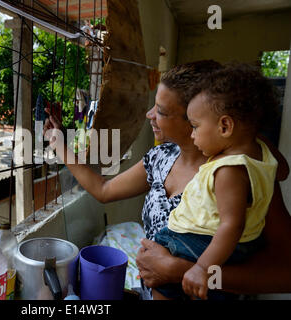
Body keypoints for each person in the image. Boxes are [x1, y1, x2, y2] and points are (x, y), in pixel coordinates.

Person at [43, 60, 291, 300]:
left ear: (195, 118)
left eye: (161, 110)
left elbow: (285, 274)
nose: (150, 114)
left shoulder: (239, 174)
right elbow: (103, 189)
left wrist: (180, 270)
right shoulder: (161, 157)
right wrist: (58, 142)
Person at [151, 63, 278, 300]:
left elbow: (232, 225)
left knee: (159, 271)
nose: (192, 135)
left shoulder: (229, 170)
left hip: (202, 244)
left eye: (196, 126)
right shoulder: (261, 153)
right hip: (239, 250)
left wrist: (202, 269)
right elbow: (283, 171)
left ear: (225, 126)